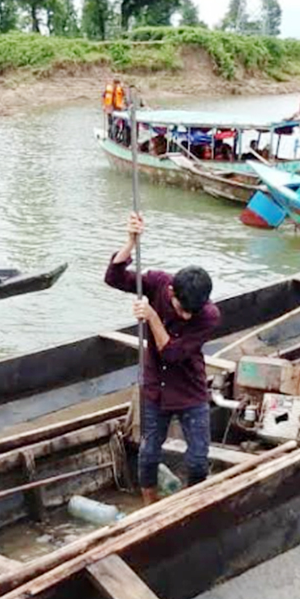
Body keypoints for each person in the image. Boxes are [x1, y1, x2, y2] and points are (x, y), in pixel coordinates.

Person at [105, 212, 220, 506]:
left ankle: (192, 503)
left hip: (190, 389)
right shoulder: (158, 283)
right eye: (181, 309)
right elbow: (114, 277)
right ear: (171, 292)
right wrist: (130, 243)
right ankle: (150, 505)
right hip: (156, 386)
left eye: (192, 312)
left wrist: (152, 316)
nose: (186, 317)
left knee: (198, 459)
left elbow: (172, 352)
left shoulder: (209, 316)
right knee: (148, 454)